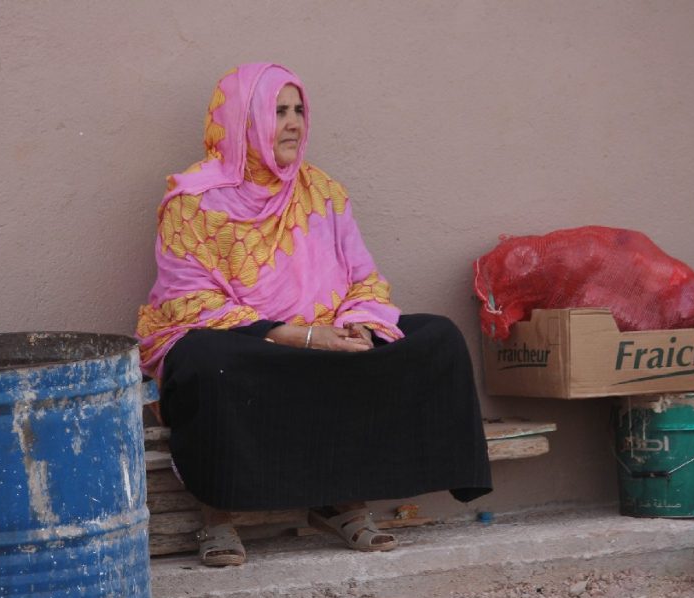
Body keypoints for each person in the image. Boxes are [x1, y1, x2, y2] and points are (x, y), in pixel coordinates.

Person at [136, 63, 491, 567]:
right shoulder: (192, 201)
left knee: (438, 335)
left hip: (326, 338)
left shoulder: (321, 192)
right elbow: (188, 300)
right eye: (277, 112)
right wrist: (301, 336)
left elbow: (365, 277)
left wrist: (358, 325)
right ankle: (217, 513)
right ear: (241, 121)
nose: (293, 124)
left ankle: (340, 503)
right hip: (250, 345)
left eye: (298, 110)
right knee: (205, 360)